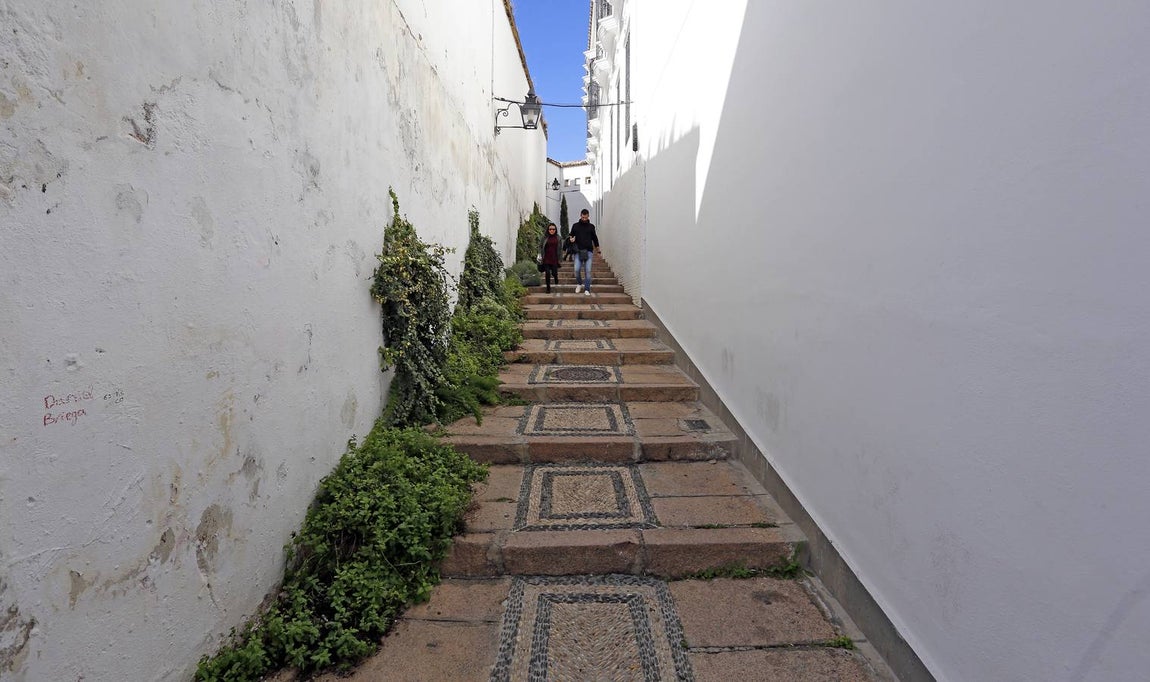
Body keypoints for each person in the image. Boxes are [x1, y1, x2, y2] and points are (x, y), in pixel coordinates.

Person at [568, 209, 600, 295]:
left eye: (586, 217)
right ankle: (579, 283)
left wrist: (598, 249)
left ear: (588, 216)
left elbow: (595, 238)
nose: (584, 219)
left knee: (588, 270)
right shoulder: (575, 226)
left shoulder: (591, 227)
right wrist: (571, 239)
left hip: (589, 251)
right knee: (576, 269)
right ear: (580, 215)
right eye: (583, 217)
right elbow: (571, 236)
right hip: (578, 251)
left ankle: (587, 289)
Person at [538, 223, 561, 293]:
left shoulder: (558, 238)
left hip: (554, 258)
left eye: (553, 229)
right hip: (546, 258)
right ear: (548, 230)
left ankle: (556, 277)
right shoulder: (544, 237)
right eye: (550, 229)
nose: (552, 230)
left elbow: (560, 249)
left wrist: (560, 259)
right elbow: (540, 246)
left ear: (555, 230)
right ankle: (548, 288)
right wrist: (540, 254)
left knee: (554, 273)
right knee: (547, 273)